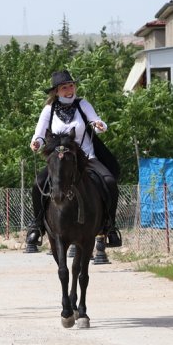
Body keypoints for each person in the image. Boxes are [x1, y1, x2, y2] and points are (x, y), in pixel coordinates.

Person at [27, 70, 122, 247]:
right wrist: (36, 144)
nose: (69, 90)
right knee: (37, 184)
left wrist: (100, 125)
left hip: (86, 158)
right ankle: (37, 225)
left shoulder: (82, 105)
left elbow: (96, 123)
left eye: (71, 85)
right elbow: (39, 135)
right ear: (56, 91)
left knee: (109, 181)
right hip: (60, 161)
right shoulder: (49, 110)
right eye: (64, 87)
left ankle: (110, 226)